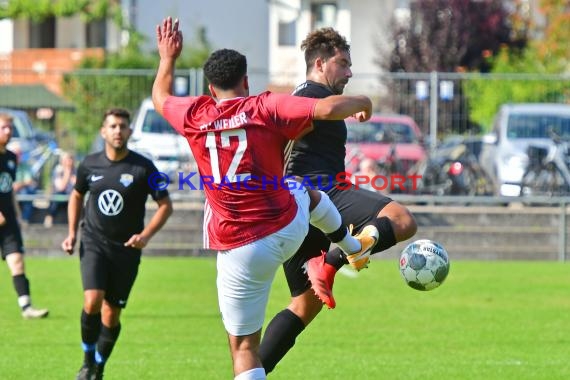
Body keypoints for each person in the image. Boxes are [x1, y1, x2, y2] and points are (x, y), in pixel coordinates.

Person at [152, 17, 377, 380]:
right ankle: (351, 245)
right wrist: (363, 100)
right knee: (308, 192)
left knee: (243, 350)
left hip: (239, 246)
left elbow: (160, 97)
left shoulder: (194, 113)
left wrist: (168, 57)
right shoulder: (264, 106)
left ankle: (348, 246)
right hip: (286, 225)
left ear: (210, 87)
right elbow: (328, 109)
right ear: (245, 81)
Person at [258, 28, 418, 373]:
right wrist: (364, 102)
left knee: (304, 305)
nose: (348, 72)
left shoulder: (302, 100)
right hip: (319, 194)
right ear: (319, 63)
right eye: (343, 63)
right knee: (402, 220)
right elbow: (323, 109)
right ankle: (332, 259)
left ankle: (252, 372)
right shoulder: (309, 95)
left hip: (295, 210)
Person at [61, 108, 173, 380]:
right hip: (94, 242)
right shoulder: (89, 164)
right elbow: (76, 196)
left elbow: (165, 205)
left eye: (123, 126)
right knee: (92, 301)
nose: (118, 131)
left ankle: (99, 366)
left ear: (130, 131)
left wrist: (145, 236)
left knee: (111, 314)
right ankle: (87, 362)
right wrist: (72, 233)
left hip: (127, 250)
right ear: (103, 131)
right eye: (112, 126)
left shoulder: (145, 167)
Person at [0, 113, 48, 319]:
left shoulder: (11, 157)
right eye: (3, 128)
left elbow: (8, 189)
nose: (8, 131)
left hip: (8, 220)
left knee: (17, 260)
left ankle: (26, 308)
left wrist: (16, 213)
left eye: (10, 128)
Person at [44, 151, 76, 228]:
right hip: (60, 196)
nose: (68, 162)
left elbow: (77, 185)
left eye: (70, 159)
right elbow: (61, 187)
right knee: (58, 197)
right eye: (66, 160)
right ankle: (49, 218)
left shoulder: (76, 171)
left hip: (72, 196)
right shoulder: (58, 171)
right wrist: (67, 173)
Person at [11, 142, 38, 225]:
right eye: (16, 153)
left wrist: (18, 185)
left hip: (21, 190)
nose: (18, 155)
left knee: (28, 192)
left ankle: (24, 220)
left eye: (19, 154)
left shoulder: (25, 166)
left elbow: (29, 181)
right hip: (7, 191)